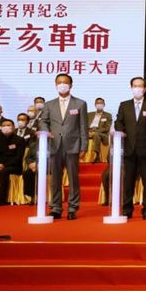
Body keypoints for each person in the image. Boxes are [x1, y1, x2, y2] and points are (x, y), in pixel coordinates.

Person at [39, 73, 88, 220]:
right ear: (55, 85)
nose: (62, 85)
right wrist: (46, 132)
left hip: (73, 145)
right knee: (55, 179)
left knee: (73, 178)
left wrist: (84, 146)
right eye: (59, 82)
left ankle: (72, 208)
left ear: (71, 85)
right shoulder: (49, 104)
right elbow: (43, 121)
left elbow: (83, 126)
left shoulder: (80, 103)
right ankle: (56, 207)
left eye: (65, 82)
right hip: (54, 145)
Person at [115, 77, 146, 220]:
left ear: (145, 89)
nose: (137, 88)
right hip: (129, 149)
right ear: (131, 87)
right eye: (135, 86)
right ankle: (127, 209)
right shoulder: (124, 105)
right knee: (128, 182)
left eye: (140, 86)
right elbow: (118, 123)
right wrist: (120, 133)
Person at [0, 119, 26, 205]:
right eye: (3, 125)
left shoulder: (19, 140)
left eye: (8, 125)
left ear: (13, 127)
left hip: (14, 166)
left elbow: (18, 157)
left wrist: (4, 165)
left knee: (4, 172)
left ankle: (1, 200)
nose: (6, 127)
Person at [87, 97, 112, 162]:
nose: (99, 104)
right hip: (89, 131)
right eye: (97, 103)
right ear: (95, 104)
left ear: (104, 104)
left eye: (101, 103)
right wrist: (88, 131)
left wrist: (95, 131)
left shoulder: (108, 115)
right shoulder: (89, 114)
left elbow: (107, 128)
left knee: (96, 135)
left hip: (101, 134)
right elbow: (84, 125)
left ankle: (97, 155)